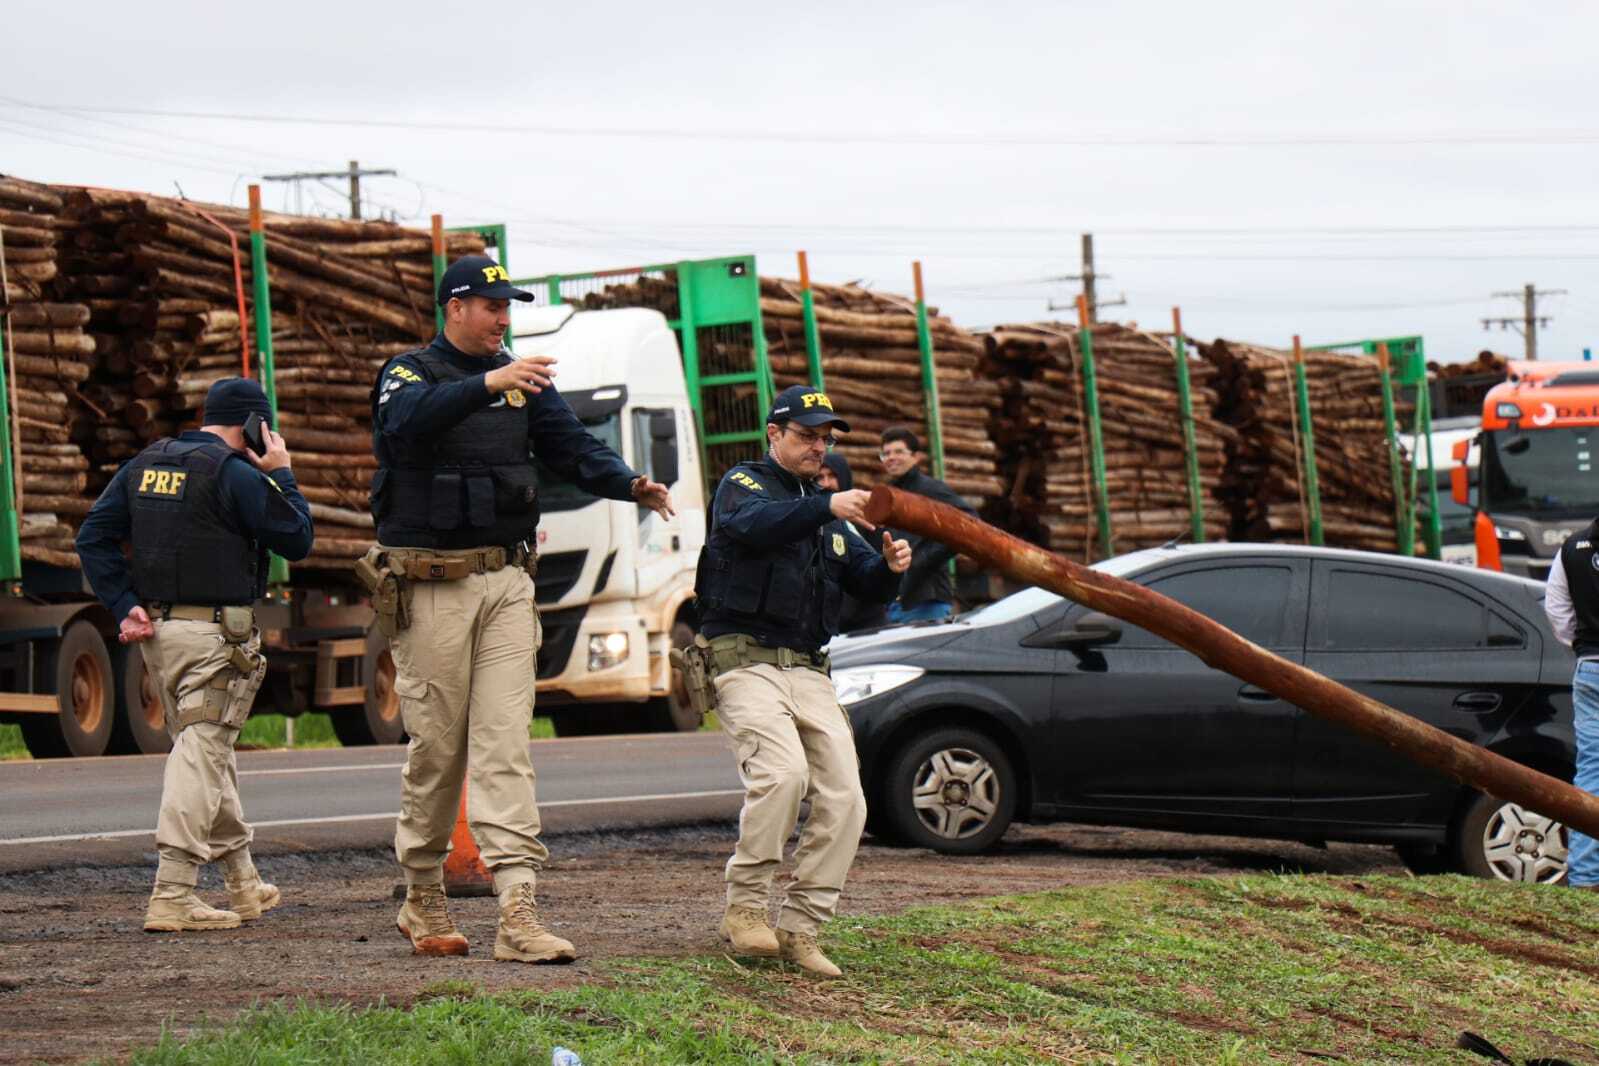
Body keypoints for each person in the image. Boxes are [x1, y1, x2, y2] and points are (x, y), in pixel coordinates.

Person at [370, 255, 675, 964]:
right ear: (454, 308)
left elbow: (570, 447)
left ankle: (518, 911)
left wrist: (630, 484)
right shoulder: (409, 374)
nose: (504, 317)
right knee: (439, 751)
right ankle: (422, 894)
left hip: (508, 583)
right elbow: (406, 428)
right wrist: (487, 384)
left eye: (508, 306)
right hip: (432, 585)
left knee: (507, 745)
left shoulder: (523, 383)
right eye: (491, 305)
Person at [75, 378, 315, 932]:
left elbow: (93, 536)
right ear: (255, 426)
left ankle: (243, 882)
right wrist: (279, 472)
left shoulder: (145, 463)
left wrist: (123, 604)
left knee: (207, 752)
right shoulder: (233, 473)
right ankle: (173, 892)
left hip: (159, 636)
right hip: (215, 639)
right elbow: (298, 539)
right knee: (201, 756)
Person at [695, 384, 911, 976]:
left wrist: (890, 570)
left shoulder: (828, 516)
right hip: (745, 660)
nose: (819, 446)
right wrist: (826, 507)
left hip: (810, 667)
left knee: (847, 797)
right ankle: (745, 911)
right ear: (774, 435)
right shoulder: (744, 486)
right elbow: (755, 527)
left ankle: (802, 928)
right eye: (807, 436)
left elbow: (865, 582)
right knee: (783, 776)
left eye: (825, 438)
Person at [1541, 527, 1599, 893]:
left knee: (1592, 772)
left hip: (1592, 668)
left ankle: (1587, 877)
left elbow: (1556, 611)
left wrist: (1582, 646)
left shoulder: (1572, 548)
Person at [877, 426, 978, 623]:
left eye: (898, 451)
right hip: (896, 602)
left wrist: (923, 559)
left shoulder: (930, 489)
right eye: (886, 453)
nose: (890, 457)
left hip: (927, 601)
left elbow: (970, 520)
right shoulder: (890, 493)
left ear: (915, 457)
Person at [816, 452, 887, 633]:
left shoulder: (867, 518)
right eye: (819, 478)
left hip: (869, 623)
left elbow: (877, 569)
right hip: (830, 625)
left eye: (832, 476)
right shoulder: (815, 522)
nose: (826, 483)